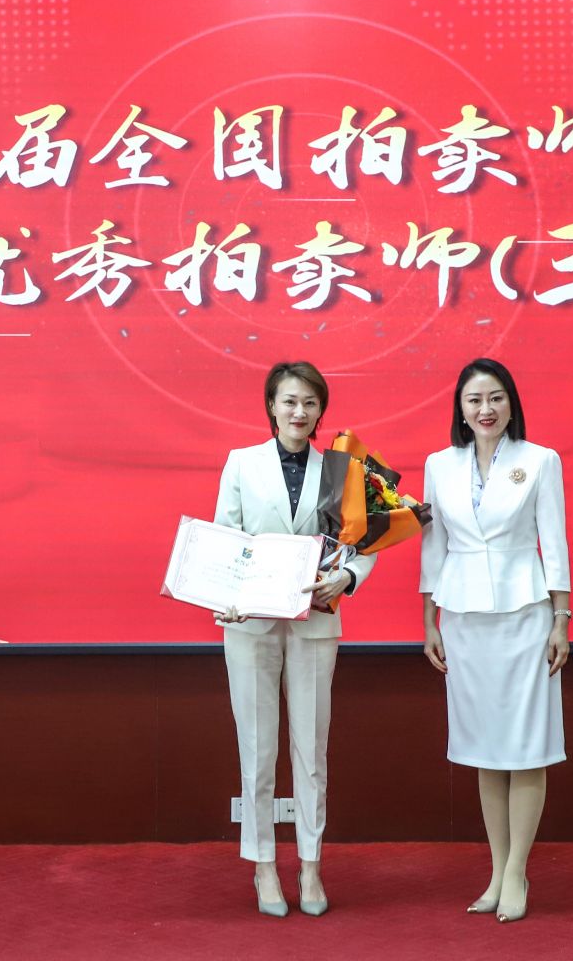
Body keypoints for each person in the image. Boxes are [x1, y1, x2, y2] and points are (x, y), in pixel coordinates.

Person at [213, 360, 374, 917]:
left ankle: (310, 866)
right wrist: (226, 594)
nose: (299, 411)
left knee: (311, 751)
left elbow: (363, 543)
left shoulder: (340, 469)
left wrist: (348, 576)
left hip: (315, 621)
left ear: (320, 409)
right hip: (250, 624)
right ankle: (263, 866)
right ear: (271, 406)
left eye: (309, 402)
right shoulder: (242, 463)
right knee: (257, 751)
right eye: (289, 401)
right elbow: (225, 540)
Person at [419, 357, 572, 924]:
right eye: (474, 400)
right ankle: (497, 870)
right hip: (463, 618)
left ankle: (516, 873)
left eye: (496, 398)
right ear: (460, 409)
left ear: (511, 403)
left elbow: (554, 542)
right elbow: (433, 546)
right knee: (485, 749)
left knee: (525, 745)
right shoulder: (440, 465)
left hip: (525, 613)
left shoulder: (540, 460)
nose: (485, 409)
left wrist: (561, 618)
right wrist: (429, 620)